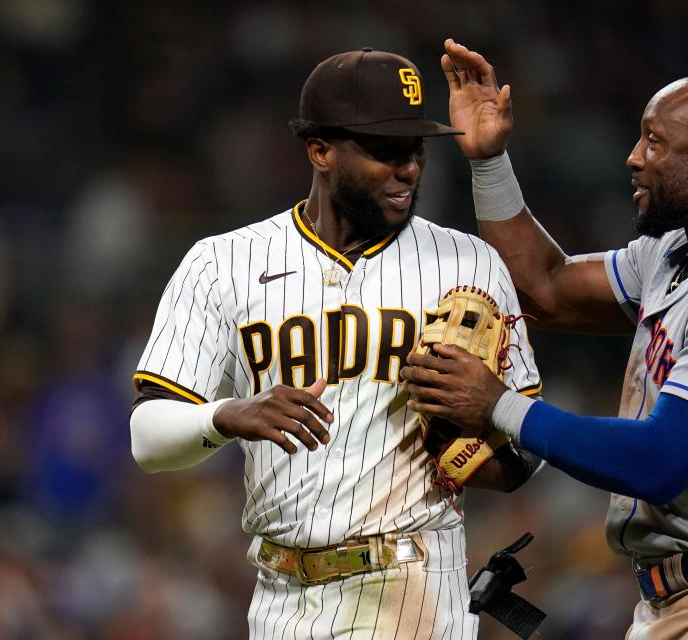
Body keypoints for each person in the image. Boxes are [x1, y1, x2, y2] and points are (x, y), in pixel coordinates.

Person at [401, 39, 688, 638]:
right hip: (678, 600)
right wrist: (489, 162)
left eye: (654, 141)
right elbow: (543, 288)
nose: (634, 157)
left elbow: (660, 461)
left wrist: (499, 406)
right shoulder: (676, 254)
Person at [129, 47, 542, 640]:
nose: (408, 169)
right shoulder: (223, 262)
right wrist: (228, 415)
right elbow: (147, 439)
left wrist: (477, 441)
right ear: (320, 150)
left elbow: (527, 449)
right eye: (383, 151)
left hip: (417, 587)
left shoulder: (466, 261)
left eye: (415, 149)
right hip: (280, 598)